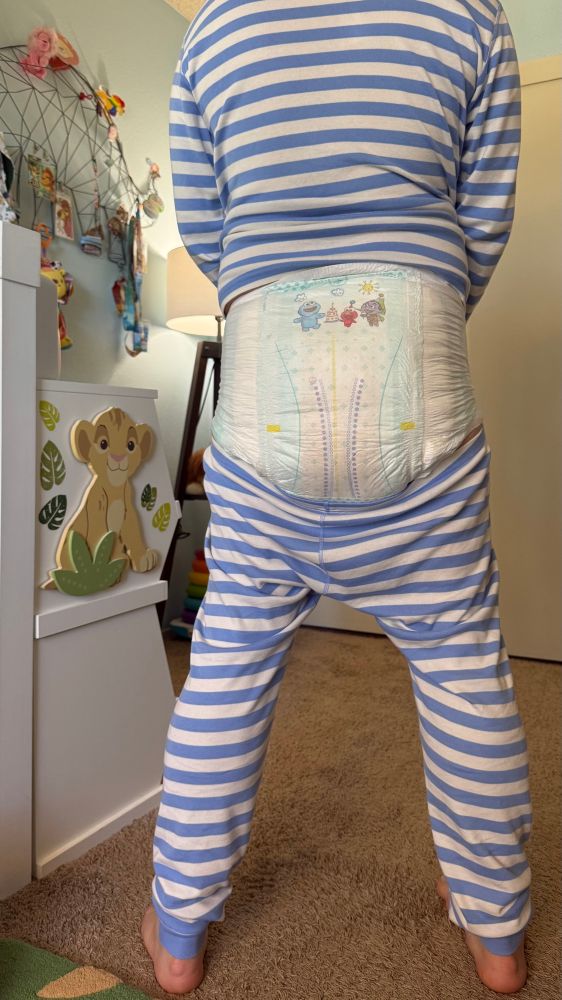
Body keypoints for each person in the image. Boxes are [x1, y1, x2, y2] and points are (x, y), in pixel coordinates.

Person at [142, 1, 531, 993]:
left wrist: (274, 298)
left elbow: (211, 227)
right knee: (458, 661)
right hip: (417, 374)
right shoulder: (469, 18)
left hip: (267, 375)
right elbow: (479, 221)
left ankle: (178, 928)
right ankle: (496, 930)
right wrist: (424, 310)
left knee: (227, 660)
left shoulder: (216, 31)